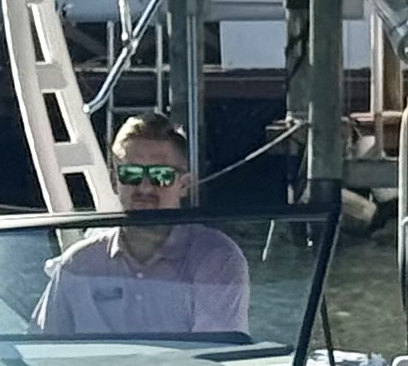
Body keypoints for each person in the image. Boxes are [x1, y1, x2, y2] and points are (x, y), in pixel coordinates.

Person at [35, 115, 250, 332]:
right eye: (131, 174)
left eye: (160, 176)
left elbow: (216, 356)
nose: (145, 188)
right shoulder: (77, 265)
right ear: (113, 181)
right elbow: (42, 349)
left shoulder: (218, 259)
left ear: (184, 185)